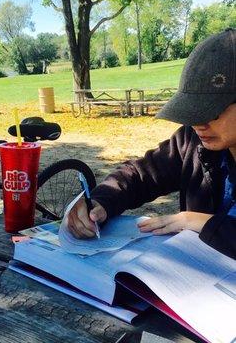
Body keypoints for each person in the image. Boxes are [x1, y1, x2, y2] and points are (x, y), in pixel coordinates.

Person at [67, 28, 236, 259]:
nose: (198, 123)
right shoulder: (192, 140)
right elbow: (141, 174)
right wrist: (100, 202)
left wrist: (197, 221)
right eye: (191, 112)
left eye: (212, 112)